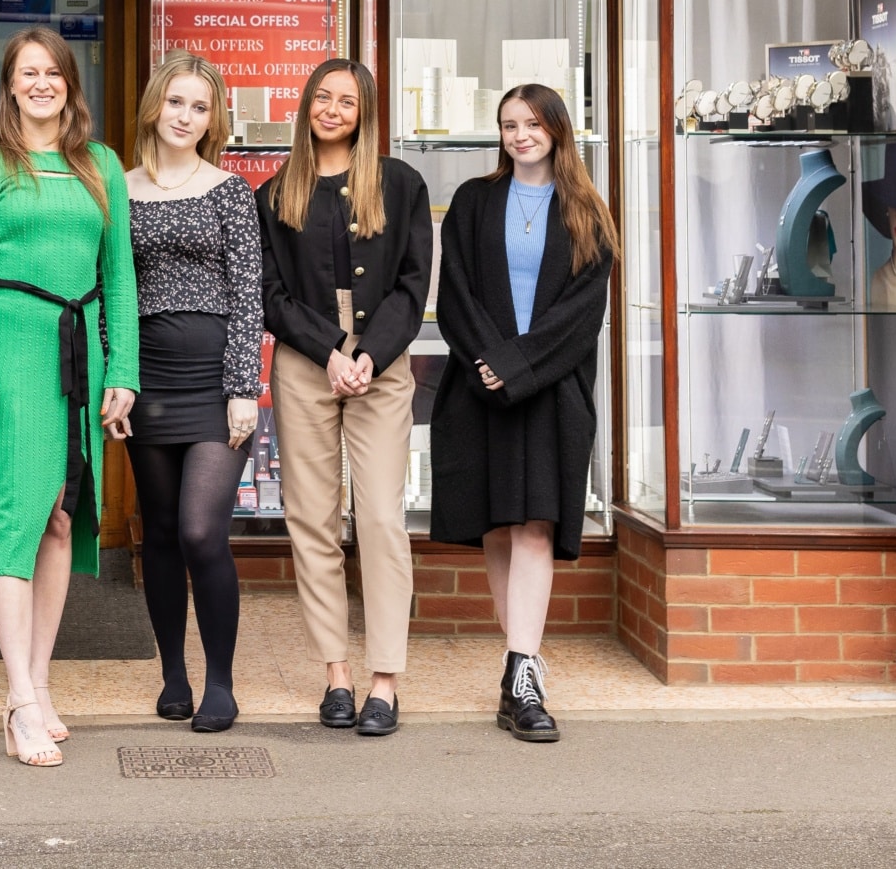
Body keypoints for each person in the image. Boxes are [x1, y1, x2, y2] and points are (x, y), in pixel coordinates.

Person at [0, 26, 139, 768]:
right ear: (10, 84)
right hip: (12, 349)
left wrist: (121, 367)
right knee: (18, 518)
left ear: (69, 82)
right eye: (27, 72)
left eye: (52, 72)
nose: (41, 83)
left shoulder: (102, 166)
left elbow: (119, 274)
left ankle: (37, 681)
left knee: (64, 516)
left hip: (80, 352)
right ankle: (19, 700)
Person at [428, 83, 616, 744]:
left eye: (531, 123)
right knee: (498, 525)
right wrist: (491, 361)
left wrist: (518, 364)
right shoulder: (475, 202)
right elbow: (454, 295)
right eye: (508, 125)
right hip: (480, 388)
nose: (519, 135)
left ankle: (521, 673)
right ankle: (523, 665)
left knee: (535, 524)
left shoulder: (587, 209)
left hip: (553, 390)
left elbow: (582, 313)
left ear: (557, 129)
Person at [257, 58, 432, 739]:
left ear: (366, 111)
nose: (332, 108)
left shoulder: (400, 183)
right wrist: (329, 348)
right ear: (306, 106)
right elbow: (271, 294)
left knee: (382, 516)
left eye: (347, 100)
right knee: (312, 516)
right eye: (322, 97)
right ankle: (336, 672)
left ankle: (385, 679)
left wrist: (365, 354)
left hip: (381, 358)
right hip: (306, 359)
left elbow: (414, 286)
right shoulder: (275, 193)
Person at [122, 52, 262, 733]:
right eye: (176, 102)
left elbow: (248, 298)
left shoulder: (230, 192)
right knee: (159, 535)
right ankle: (173, 674)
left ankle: (221, 681)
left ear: (214, 118)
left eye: (200, 107)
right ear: (156, 106)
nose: (185, 116)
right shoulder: (116, 189)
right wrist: (116, 380)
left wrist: (244, 388)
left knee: (201, 530)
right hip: (145, 379)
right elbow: (113, 294)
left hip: (214, 382)